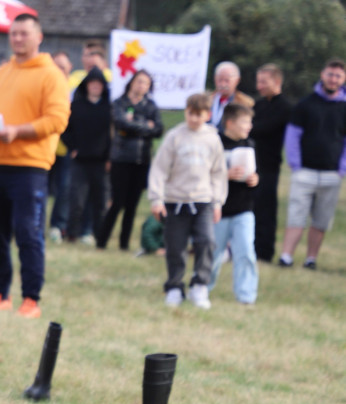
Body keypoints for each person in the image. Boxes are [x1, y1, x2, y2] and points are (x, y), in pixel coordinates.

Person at [0, 13, 69, 319]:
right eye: (13, 34)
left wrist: (17, 131)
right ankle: (0, 293)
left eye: (24, 33)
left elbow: (57, 120)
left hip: (30, 166)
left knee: (28, 232)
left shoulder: (51, 75)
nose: (18, 39)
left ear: (39, 37)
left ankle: (31, 299)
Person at [147, 93, 226, 309]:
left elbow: (218, 173)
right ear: (186, 112)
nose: (193, 119)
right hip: (176, 200)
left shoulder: (212, 138)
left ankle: (200, 285)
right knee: (176, 246)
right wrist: (157, 198)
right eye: (190, 113)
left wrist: (217, 201)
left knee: (206, 241)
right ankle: (174, 286)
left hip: (203, 201)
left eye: (199, 115)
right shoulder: (175, 137)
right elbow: (160, 169)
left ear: (207, 115)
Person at [278, 59, 346, 270]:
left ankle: (311, 259)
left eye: (337, 76)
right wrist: (295, 165)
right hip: (304, 171)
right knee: (296, 216)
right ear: (322, 74)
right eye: (330, 74)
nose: (333, 79)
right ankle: (286, 256)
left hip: (331, 174)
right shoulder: (305, 104)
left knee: (321, 220)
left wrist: (342, 169)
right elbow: (292, 136)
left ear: (343, 80)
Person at [97, 69, 162, 251]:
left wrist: (135, 125)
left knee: (132, 204)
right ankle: (102, 240)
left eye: (146, 83)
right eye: (139, 81)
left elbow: (158, 129)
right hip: (121, 158)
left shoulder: (151, 106)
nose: (141, 86)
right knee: (117, 202)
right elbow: (121, 124)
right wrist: (144, 125)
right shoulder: (120, 103)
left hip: (141, 160)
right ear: (131, 82)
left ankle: (124, 244)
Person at [210, 103, 260, 304]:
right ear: (229, 123)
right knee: (213, 253)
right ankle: (202, 288)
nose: (249, 126)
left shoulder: (250, 144)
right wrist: (225, 175)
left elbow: (256, 172)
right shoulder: (215, 144)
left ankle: (246, 295)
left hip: (244, 209)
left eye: (250, 122)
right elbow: (204, 174)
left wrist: (255, 180)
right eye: (245, 122)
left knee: (246, 251)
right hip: (219, 209)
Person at [62, 67, 110, 244]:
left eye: (99, 84)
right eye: (92, 84)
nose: (95, 87)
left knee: (101, 201)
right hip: (80, 161)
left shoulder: (109, 108)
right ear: (86, 86)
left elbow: (112, 136)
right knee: (77, 200)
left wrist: (109, 157)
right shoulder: (76, 107)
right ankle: (72, 234)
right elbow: (65, 131)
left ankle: (100, 235)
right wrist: (73, 147)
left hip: (101, 161)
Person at [251, 64, 291, 263]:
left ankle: (264, 252)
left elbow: (261, 129)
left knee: (266, 210)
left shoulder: (284, 107)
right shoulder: (258, 105)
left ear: (277, 82)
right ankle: (249, 248)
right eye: (258, 81)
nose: (259, 86)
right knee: (250, 208)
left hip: (269, 166)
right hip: (252, 165)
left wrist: (251, 128)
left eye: (263, 82)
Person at [46, 50, 73, 242]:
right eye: (55, 66)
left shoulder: (74, 89)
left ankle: (58, 225)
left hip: (66, 148)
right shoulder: (43, 87)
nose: (58, 70)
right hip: (44, 147)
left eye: (62, 67)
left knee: (64, 189)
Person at [209, 61, 254, 129]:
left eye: (227, 80)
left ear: (237, 80)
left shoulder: (245, 103)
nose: (223, 84)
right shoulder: (206, 101)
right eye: (220, 80)